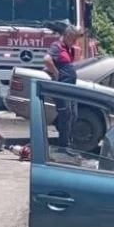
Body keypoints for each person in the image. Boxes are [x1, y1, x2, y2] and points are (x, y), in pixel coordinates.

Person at [43, 22, 83, 150]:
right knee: (65, 113)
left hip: (70, 87)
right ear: (66, 36)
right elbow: (47, 60)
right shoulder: (57, 46)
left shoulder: (68, 48)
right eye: (73, 38)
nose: (75, 41)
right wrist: (56, 73)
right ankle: (63, 144)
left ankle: (68, 140)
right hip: (62, 86)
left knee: (74, 114)